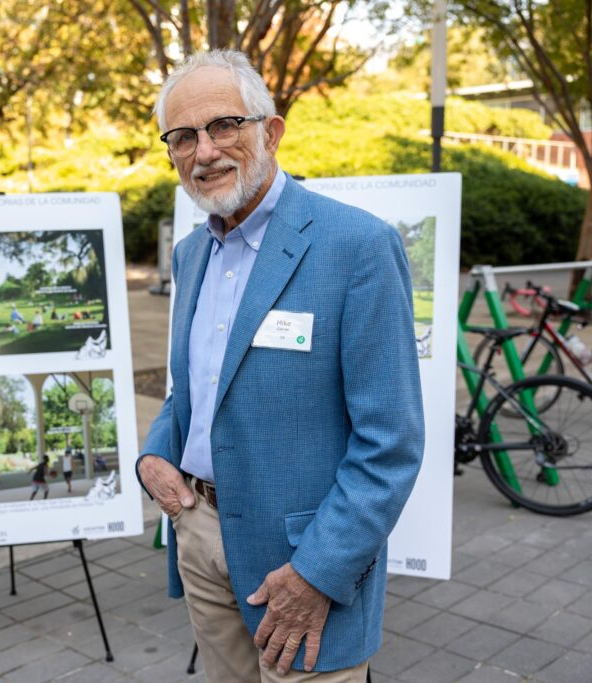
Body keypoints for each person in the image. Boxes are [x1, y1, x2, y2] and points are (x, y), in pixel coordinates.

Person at [137, 50, 423, 682]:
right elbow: (196, 388)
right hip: (201, 536)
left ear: (271, 130)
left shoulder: (357, 247)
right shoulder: (191, 254)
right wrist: (157, 450)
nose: (204, 151)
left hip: (300, 563)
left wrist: (317, 573)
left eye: (224, 126)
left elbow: (392, 443)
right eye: (183, 136)